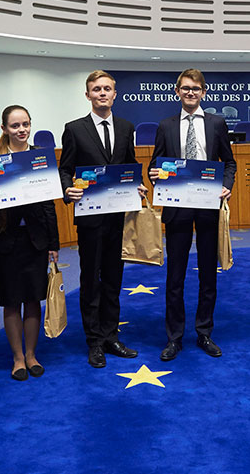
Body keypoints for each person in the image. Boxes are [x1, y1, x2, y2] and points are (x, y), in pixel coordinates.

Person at [58, 70, 146, 368]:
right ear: (88, 95)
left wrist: (138, 182)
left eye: (107, 88)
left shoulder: (125, 127)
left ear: (115, 93)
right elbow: (65, 168)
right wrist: (66, 188)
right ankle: (94, 341)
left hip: (117, 217)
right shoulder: (74, 129)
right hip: (90, 218)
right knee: (90, 280)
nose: (102, 93)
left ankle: (111, 335)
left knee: (113, 279)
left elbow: (130, 164)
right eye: (96, 89)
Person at [148, 68, 237, 361]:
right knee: (175, 276)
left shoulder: (217, 123)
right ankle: (174, 337)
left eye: (195, 88)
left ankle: (204, 332)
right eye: (185, 88)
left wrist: (226, 186)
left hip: (209, 206)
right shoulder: (166, 125)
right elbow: (155, 166)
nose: (190, 92)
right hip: (177, 208)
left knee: (208, 275)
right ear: (177, 91)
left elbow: (230, 163)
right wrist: (154, 175)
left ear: (204, 92)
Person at [0, 105, 59, 380]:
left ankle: (31, 355)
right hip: (5, 240)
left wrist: (53, 242)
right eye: (15, 125)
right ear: (4, 128)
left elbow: (49, 204)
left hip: (36, 240)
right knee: (11, 300)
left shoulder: (40, 156)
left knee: (33, 299)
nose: (21, 130)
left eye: (25, 124)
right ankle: (17, 358)